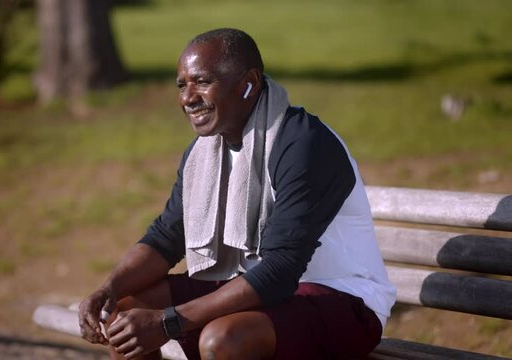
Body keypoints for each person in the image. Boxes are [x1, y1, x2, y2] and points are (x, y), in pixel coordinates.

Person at [78, 28, 396, 360]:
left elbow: (280, 269)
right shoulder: (203, 153)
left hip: (344, 302)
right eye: (181, 85)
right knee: (121, 317)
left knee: (223, 340)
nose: (188, 98)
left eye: (202, 81)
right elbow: (165, 238)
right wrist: (108, 291)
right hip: (257, 287)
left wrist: (169, 322)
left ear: (249, 83)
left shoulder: (303, 144)